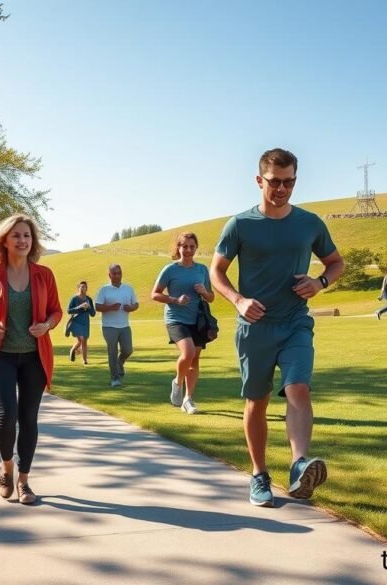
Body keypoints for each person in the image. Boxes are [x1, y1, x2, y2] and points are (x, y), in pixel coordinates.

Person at [210, 148, 344, 508]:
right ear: (259, 181)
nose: (281, 188)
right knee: (258, 401)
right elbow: (216, 271)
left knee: (299, 387)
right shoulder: (240, 225)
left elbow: (335, 262)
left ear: (295, 181)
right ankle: (259, 474)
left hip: (296, 321)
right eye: (274, 182)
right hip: (255, 327)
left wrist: (319, 283)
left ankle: (300, 465)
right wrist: (238, 300)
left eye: (288, 182)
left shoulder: (310, 223)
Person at [0, 214, 62, 505]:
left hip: (34, 356)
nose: (23, 240)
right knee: (6, 416)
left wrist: (47, 325)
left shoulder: (43, 274)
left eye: (27, 236)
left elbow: (56, 311)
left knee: (28, 418)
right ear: (5, 241)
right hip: (2, 357)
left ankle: (24, 481)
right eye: (17, 236)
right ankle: (6, 467)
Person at [151, 233, 215, 414]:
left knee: (195, 360)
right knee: (188, 353)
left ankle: (188, 399)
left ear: (196, 248)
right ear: (178, 248)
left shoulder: (202, 270)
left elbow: (211, 298)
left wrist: (204, 291)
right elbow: (155, 294)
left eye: (191, 247)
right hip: (175, 319)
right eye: (184, 246)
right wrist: (175, 300)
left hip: (198, 320)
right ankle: (177, 382)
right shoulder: (170, 269)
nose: (188, 250)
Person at [95, 264, 139, 388]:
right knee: (112, 352)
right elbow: (97, 306)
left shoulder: (128, 289)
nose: (117, 276)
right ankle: (115, 378)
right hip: (109, 327)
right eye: (114, 274)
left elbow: (136, 304)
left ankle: (120, 362)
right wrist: (110, 307)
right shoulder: (104, 290)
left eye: (119, 273)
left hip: (124, 326)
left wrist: (131, 308)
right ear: (109, 275)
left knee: (128, 350)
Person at [66, 281, 96, 365]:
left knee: (83, 341)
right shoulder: (74, 299)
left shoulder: (89, 299)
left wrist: (88, 307)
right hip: (76, 322)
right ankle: (84, 360)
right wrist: (79, 307)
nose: (82, 288)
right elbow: (69, 311)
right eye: (81, 287)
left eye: (84, 287)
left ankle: (74, 351)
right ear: (78, 288)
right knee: (82, 339)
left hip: (85, 323)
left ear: (86, 289)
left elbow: (93, 314)